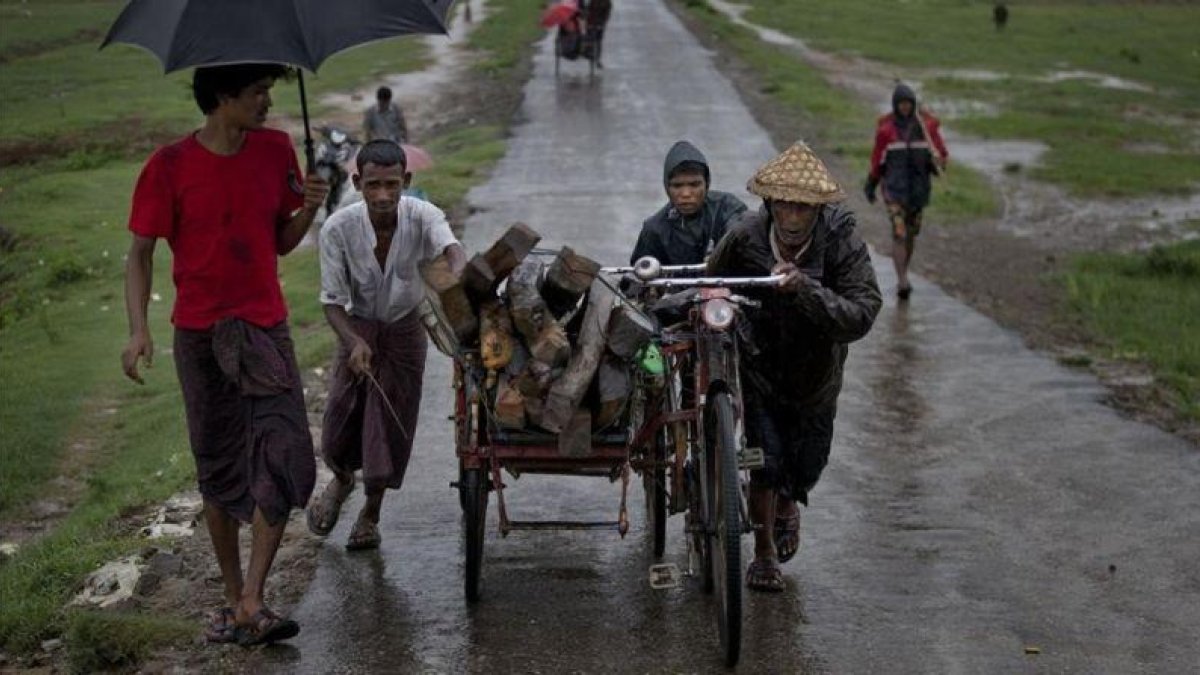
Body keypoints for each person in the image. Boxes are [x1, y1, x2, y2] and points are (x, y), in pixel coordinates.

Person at [120, 63, 328, 646]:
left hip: (265, 329)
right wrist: (138, 331)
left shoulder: (276, 149)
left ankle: (255, 597)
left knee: (286, 456)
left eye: (268, 91)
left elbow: (281, 242)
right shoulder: (168, 166)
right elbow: (139, 254)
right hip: (201, 338)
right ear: (221, 98)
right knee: (218, 467)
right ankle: (237, 598)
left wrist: (309, 205)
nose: (266, 102)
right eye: (257, 93)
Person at [707, 142, 881, 592]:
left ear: (818, 210)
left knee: (807, 465)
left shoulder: (842, 240)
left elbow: (862, 312)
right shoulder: (745, 235)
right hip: (760, 366)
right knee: (764, 458)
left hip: (817, 374)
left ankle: (789, 500)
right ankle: (763, 554)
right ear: (769, 203)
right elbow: (711, 281)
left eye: (802, 206)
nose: (792, 215)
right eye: (784, 204)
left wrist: (805, 290)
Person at [307, 140, 467, 550]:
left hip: (404, 332)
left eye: (392, 185)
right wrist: (354, 340)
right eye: (373, 185)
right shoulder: (337, 229)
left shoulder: (422, 215)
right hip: (355, 328)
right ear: (357, 182)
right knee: (340, 423)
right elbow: (331, 302)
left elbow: (450, 248)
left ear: (406, 181)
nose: (382, 195)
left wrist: (463, 274)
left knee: (391, 423)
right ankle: (341, 482)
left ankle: (370, 513)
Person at [863, 83, 948, 301]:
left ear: (913, 105)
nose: (905, 108)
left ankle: (903, 271)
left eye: (908, 104)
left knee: (911, 235)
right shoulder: (886, 131)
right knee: (899, 233)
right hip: (894, 191)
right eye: (901, 104)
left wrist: (939, 161)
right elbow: (877, 161)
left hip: (918, 192)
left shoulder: (927, 129)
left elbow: (940, 160)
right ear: (895, 105)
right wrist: (871, 184)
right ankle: (902, 281)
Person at [630, 140, 747, 266]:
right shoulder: (654, 229)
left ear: (706, 184)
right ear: (667, 187)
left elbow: (742, 235)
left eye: (694, 184)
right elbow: (639, 274)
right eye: (677, 185)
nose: (686, 194)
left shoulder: (728, 207)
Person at [580, 0, 613, 68]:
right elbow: (585, 10)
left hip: (600, 23)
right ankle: (587, 51)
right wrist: (584, 16)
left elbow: (607, 14)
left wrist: (602, 23)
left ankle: (597, 59)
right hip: (590, 22)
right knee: (589, 38)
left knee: (598, 41)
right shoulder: (590, 2)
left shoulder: (607, 2)